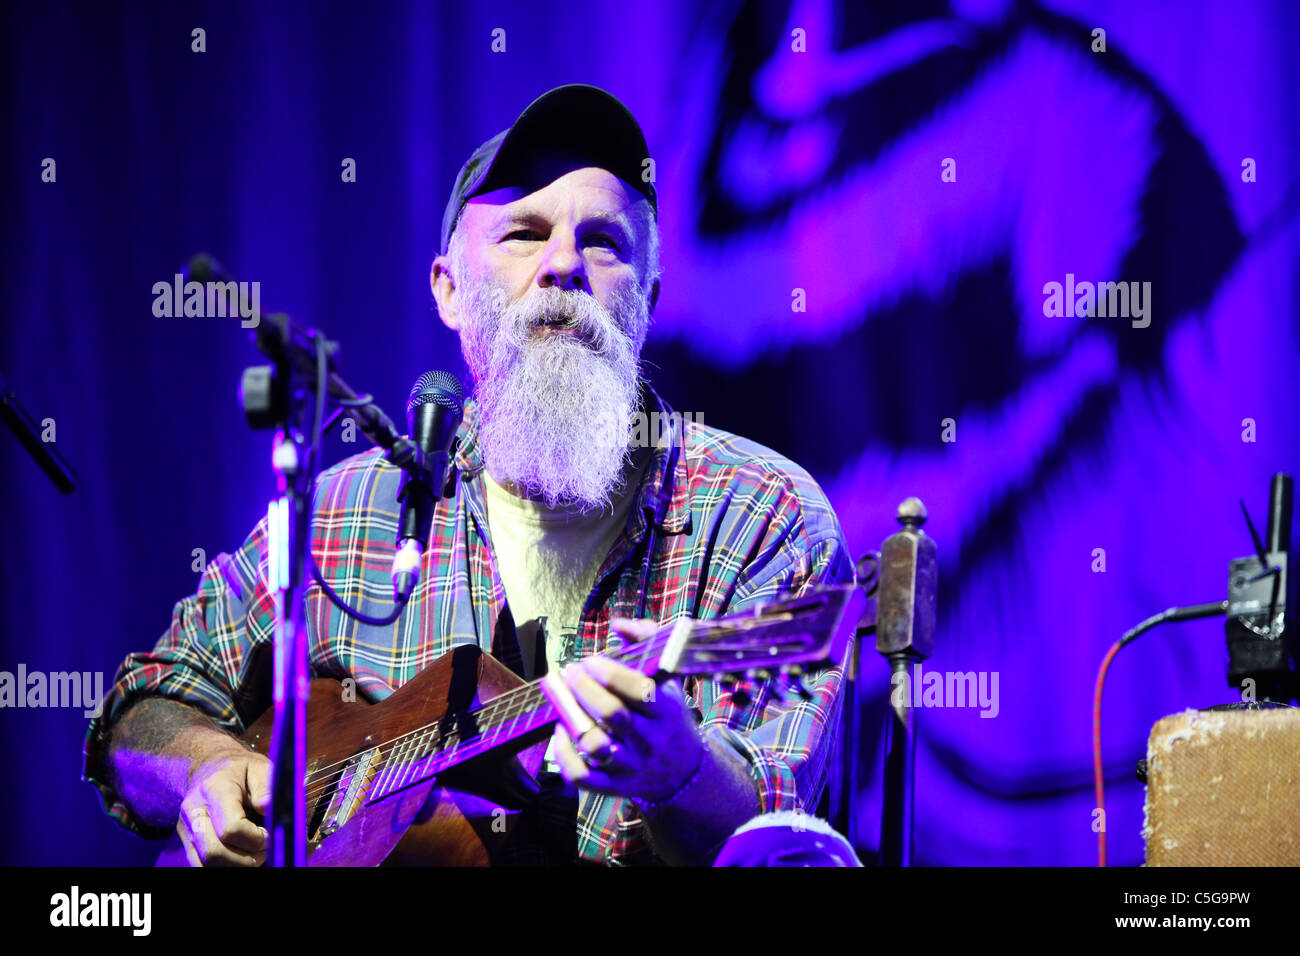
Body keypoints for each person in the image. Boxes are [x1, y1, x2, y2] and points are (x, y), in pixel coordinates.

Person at [82, 84, 855, 866]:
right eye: (523, 234)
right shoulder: (340, 511)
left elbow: (773, 832)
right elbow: (144, 705)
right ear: (448, 290)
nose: (562, 266)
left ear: (648, 299)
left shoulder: (767, 517)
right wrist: (206, 769)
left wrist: (680, 772)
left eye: (605, 243)